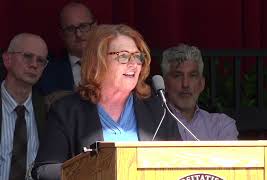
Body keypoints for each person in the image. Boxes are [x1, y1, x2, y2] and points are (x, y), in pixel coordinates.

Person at [32, 24, 181, 180]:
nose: (133, 64)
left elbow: (182, 162)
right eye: (123, 56)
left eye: (138, 56)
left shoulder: (159, 110)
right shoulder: (66, 111)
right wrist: (91, 171)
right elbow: (44, 170)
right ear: (98, 61)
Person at [161, 44, 238, 140]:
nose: (185, 84)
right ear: (164, 84)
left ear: (202, 84)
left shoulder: (221, 126)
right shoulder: (152, 124)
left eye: (192, 75)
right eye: (177, 75)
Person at [0, 33, 48, 180]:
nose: (34, 64)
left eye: (40, 60)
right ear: (7, 59)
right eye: (27, 56)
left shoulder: (49, 110)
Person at [37, 2, 97, 95]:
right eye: (70, 29)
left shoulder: (113, 63)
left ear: (94, 27)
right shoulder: (46, 72)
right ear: (61, 34)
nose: (78, 34)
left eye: (83, 26)